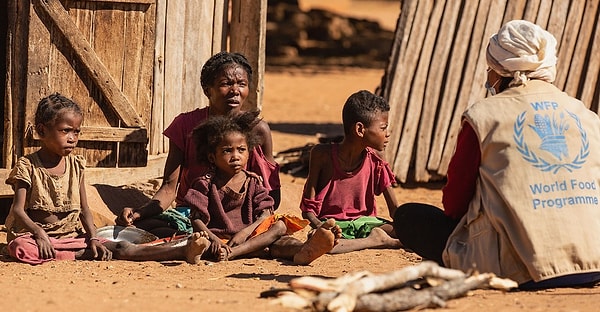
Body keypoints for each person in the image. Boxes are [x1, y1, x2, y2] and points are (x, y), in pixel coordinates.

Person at [393, 20, 600, 289]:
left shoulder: (482, 117)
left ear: (502, 72)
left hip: (523, 271)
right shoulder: (586, 115)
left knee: (408, 217)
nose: (487, 77)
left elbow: (454, 204)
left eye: (490, 68)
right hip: (593, 261)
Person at [5, 93, 211, 265]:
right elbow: (18, 210)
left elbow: (85, 210)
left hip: (71, 237)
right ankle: (79, 256)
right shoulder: (27, 165)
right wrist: (39, 233)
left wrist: (93, 237)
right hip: (35, 236)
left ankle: (182, 250)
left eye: (76, 132)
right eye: (65, 131)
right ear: (42, 130)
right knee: (20, 248)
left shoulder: (76, 166)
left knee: (121, 245)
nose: (72, 138)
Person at [116, 52, 281, 238]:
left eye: (241, 84)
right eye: (226, 83)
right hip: (194, 215)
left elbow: (272, 192)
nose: (235, 90)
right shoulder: (185, 126)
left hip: (242, 216)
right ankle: (203, 242)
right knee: (145, 226)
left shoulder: (257, 129)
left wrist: (255, 217)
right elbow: (169, 188)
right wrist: (140, 212)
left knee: (278, 231)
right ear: (207, 89)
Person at [184, 111, 339, 264]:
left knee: (279, 228)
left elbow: (265, 214)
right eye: (227, 151)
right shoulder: (205, 183)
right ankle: (236, 252)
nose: (236, 156)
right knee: (202, 243)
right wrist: (216, 240)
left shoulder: (252, 181)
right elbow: (196, 220)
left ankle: (305, 249)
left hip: (252, 236)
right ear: (212, 157)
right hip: (220, 240)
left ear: (249, 152)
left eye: (241, 150)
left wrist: (245, 232)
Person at [300, 90, 402, 254]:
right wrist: (322, 227)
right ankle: (378, 241)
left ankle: (379, 239)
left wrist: (409, 229)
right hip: (333, 224)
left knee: (401, 232)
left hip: (367, 224)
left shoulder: (376, 158)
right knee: (322, 240)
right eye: (383, 128)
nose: (388, 134)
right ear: (360, 129)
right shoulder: (321, 155)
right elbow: (307, 211)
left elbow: (394, 209)